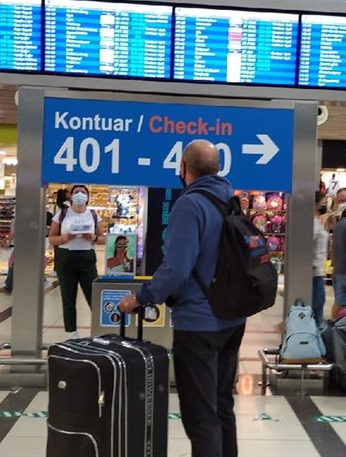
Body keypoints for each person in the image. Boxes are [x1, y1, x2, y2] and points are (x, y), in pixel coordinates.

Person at [117, 140, 246, 457]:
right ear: (217, 168)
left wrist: (140, 298)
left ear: (184, 168)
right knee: (221, 406)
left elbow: (175, 269)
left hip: (199, 324)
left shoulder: (190, 205)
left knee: (201, 416)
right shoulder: (229, 199)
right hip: (233, 318)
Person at [48, 185, 102, 338]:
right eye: (76, 192)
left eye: (83, 192)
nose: (80, 195)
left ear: (87, 196)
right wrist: (65, 238)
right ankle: (72, 332)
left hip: (87, 259)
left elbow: (103, 238)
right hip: (66, 258)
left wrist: (93, 237)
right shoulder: (61, 215)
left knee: (94, 296)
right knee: (68, 297)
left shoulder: (93, 215)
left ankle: (99, 330)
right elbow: (51, 238)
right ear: (70, 196)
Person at [312, 192, 329, 326]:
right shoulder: (311, 222)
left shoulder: (317, 220)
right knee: (317, 304)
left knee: (318, 304)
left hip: (318, 269)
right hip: (314, 270)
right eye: (323, 203)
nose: (325, 205)